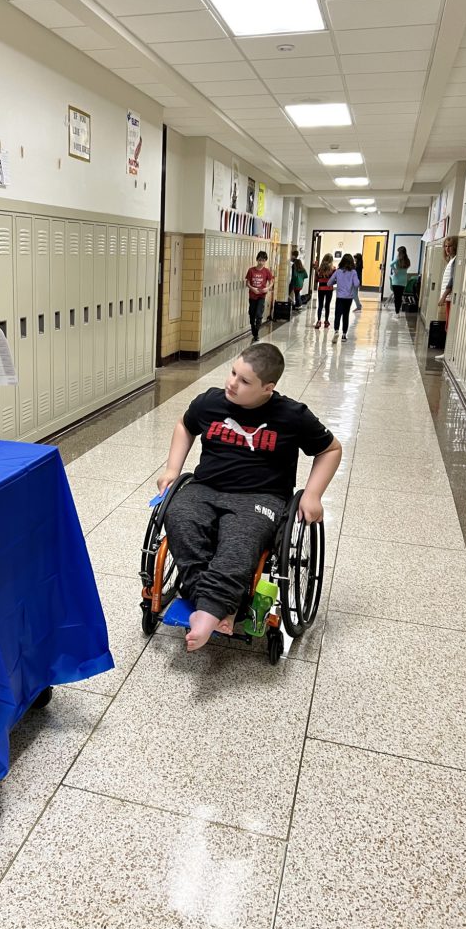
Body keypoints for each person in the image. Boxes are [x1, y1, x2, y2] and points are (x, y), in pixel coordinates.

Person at [156, 343, 341, 651]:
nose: (232, 383)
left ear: (268, 388)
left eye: (244, 381)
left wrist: (313, 494)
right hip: (205, 487)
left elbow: (330, 449)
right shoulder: (211, 402)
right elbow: (185, 426)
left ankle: (208, 609)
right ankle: (220, 606)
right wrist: (172, 468)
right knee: (178, 516)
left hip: (261, 497)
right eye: (232, 373)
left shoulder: (292, 415)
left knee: (240, 539)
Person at [327, 253, 360, 343]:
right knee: (346, 315)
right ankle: (344, 335)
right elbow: (357, 284)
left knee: (338, 314)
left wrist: (336, 282)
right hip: (348, 298)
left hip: (340, 297)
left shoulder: (338, 271)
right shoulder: (353, 272)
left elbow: (329, 283)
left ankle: (336, 331)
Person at [245, 250, 273, 341]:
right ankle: (253, 327)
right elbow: (247, 283)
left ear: (265, 261)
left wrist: (267, 288)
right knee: (252, 314)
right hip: (253, 296)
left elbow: (271, 282)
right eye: (260, 260)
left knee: (259, 314)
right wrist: (253, 288)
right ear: (257, 260)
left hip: (261, 296)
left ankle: (256, 333)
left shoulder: (267, 271)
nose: (261, 262)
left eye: (263, 260)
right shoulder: (251, 270)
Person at [314, 253, 335, 329]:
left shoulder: (319, 269)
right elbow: (334, 280)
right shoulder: (333, 269)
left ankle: (319, 321)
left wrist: (317, 273)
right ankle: (326, 321)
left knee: (320, 305)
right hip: (329, 289)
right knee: (327, 305)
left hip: (321, 289)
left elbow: (316, 280)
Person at [389, 246, 411, 317]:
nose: (398, 254)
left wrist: (394, 268)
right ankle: (397, 312)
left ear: (403, 253)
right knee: (398, 297)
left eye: (399, 252)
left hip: (399, 281)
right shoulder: (406, 260)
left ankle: (397, 312)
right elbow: (391, 265)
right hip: (400, 281)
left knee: (398, 297)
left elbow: (391, 264)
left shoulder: (400, 260)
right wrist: (394, 269)